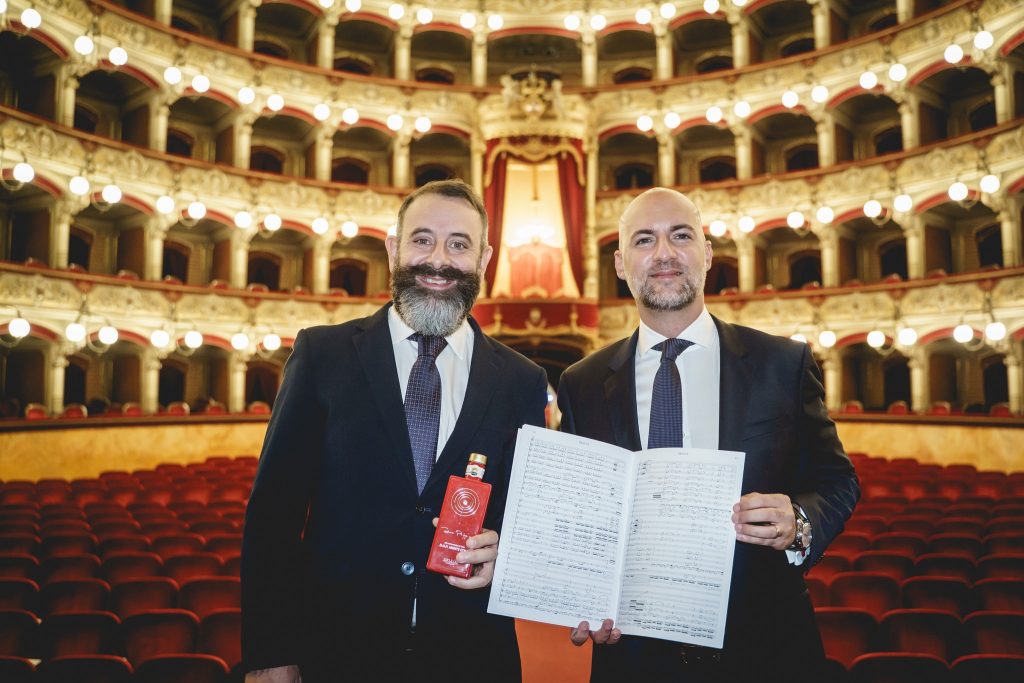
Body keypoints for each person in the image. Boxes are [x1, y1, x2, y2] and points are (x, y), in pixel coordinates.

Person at [241, 179, 548, 682]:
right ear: (393, 248)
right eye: (422, 239)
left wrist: (507, 555)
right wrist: (269, 651)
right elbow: (274, 513)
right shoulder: (323, 355)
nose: (438, 261)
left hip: (472, 656)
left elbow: (531, 520)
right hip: (339, 653)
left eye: (459, 244)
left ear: (484, 259)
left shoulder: (522, 380)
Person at [557, 188, 859, 681]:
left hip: (766, 643)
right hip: (632, 655)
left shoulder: (782, 363)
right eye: (643, 240)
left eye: (681, 235)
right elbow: (577, 514)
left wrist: (800, 521)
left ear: (708, 251)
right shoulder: (581, 383)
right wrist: (582, 593)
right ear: (619, 263)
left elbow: (838, 480)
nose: (664, 254)